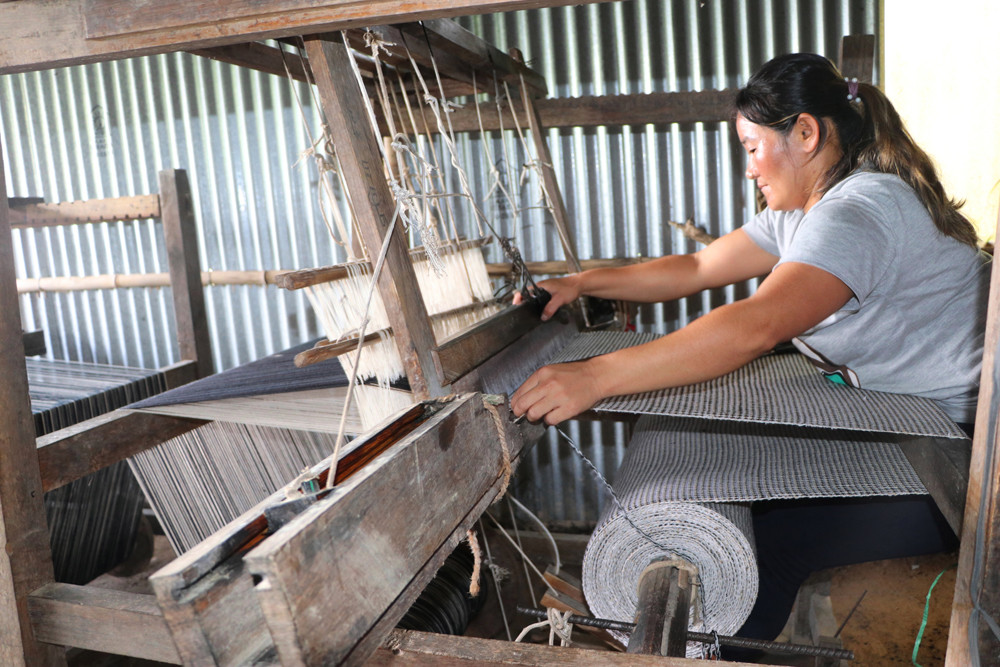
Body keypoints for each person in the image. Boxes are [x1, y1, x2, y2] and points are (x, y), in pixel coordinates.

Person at [510, 52, 991, 648]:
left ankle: (705, 653)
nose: (749, 169)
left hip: (972, 456)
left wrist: (598, 377)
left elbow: (755, 326)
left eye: (752, 146)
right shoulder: (800, 214)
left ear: (807, 134)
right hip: (924, 425)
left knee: (776, 545)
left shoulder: (858, 214)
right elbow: (698, 265)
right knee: (761, 517)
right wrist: (584, 283)